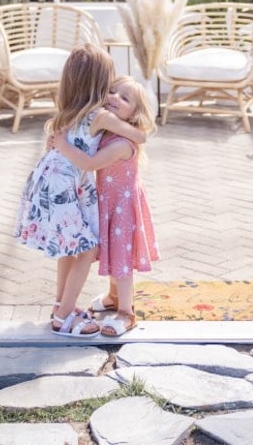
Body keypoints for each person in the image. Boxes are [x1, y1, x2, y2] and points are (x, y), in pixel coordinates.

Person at [13, 43, 145, 336]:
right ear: (100, 83)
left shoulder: (67, 112)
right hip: (65, 187)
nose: (112, 93)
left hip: (54, 183)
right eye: (110, 84)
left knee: (70, 250)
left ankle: (63, 304)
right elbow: (139, 135)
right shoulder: (100, 116)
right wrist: (138, 130)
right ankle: (63, 318)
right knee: (86, 250)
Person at [53, 75, 158, 338]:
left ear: (135, 113)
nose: (114, 98)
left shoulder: (122, 144)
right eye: (112, 91)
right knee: (114, 252)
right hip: (107, 204)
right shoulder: (107, 131)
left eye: (125, 98)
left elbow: (90, 163)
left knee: (122, 258)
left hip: (122, 208)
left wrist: (63, 146)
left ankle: (126, 312)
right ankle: (113, 297)